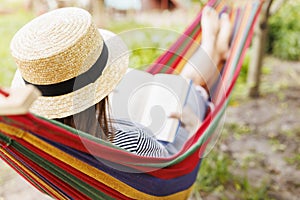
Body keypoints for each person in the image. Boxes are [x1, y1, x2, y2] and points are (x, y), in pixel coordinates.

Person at [10, 6, 231, 157]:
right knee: (182, 88)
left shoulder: (44, 152)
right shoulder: (131, 139)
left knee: (170, 86)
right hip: (172, 143)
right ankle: (213, 46)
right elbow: (168, 165)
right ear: (101, 89)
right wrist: (193, 129)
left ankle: (212, 47)